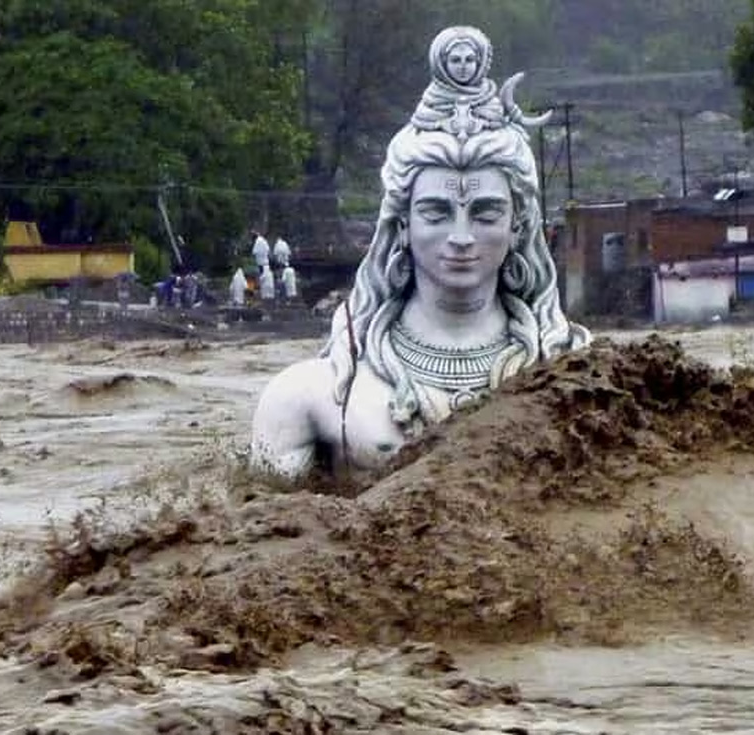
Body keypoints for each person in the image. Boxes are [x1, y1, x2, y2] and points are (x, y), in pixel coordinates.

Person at [250, 26, 589, 478]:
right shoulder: (313, 395)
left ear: (518, 225)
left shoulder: (576, 373)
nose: (462, 236)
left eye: (486, 215)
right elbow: (261, 536)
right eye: (437, 213)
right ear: (403, 224)